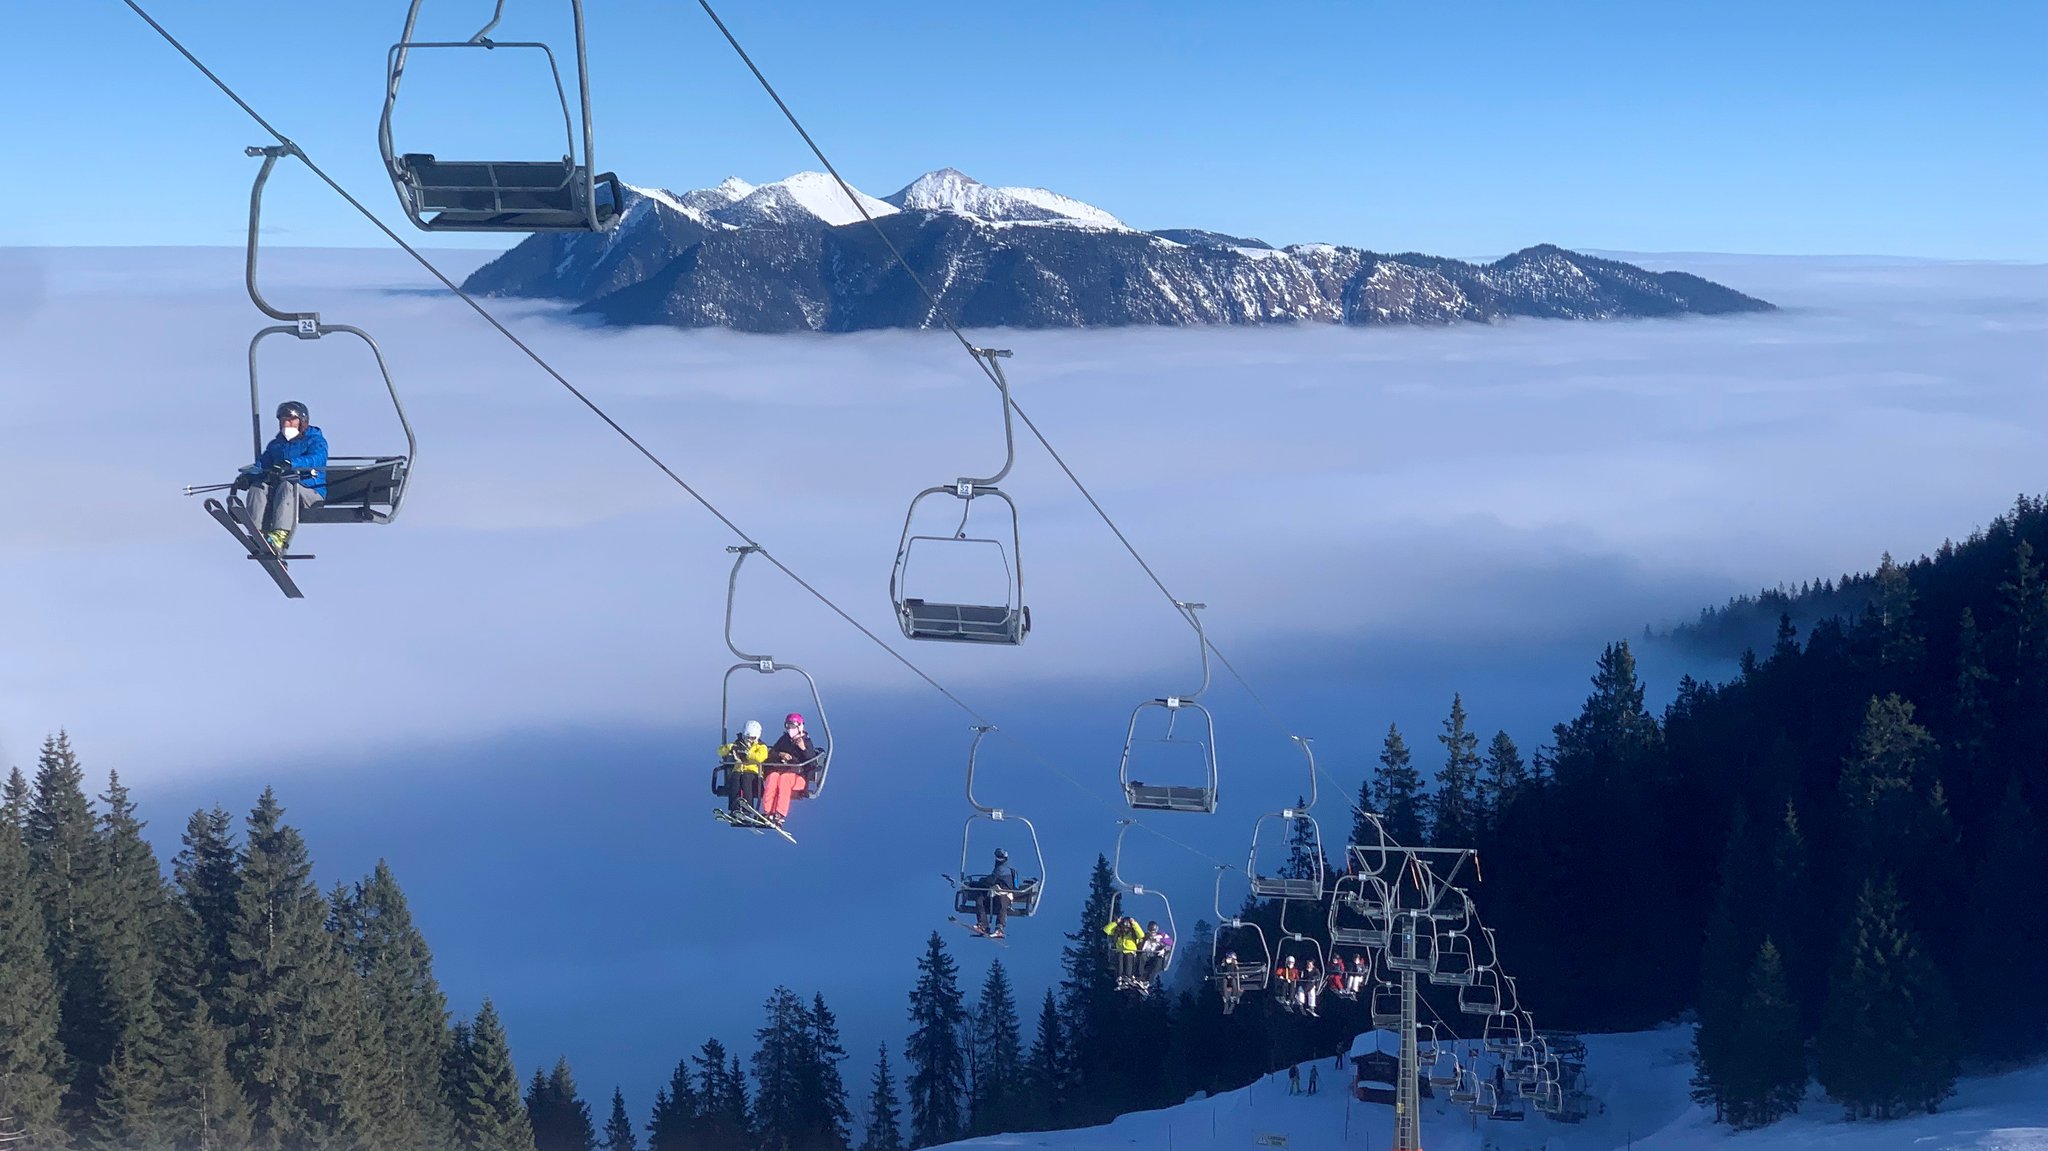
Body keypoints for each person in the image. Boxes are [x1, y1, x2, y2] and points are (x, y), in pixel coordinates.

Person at [234, 400, 328, 555]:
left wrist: (290, 464)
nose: (287, 424)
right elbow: (262, 465)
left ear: (302, 422)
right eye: (283, 421)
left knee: (288, 485)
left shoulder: (315, 440)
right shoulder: (277, 445)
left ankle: (280, 535)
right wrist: (248, 476)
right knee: (259, 487)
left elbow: (316, 459)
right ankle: (256, 532)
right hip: (282, 493)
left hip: (309, 490)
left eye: (291, 420)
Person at [759, 713, 817, 826]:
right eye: (788, 726)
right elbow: (771, 753)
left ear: (800, 727)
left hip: (798, 778)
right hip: (780, 771)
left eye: (793, 726)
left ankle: (779, 814)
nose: (790, 729)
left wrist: (803, 749)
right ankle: (767, 812)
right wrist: (780, 754)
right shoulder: (784, 740)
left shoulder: (806, 742)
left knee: (784, 779)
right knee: (772, 777)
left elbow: (812, 763)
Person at [717, 720, 769, 816]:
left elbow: (760, 757)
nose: (749, 740)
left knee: (746, 779)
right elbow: (720, 751)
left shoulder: (761, 746)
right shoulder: (738, 744)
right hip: (738, 769)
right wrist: (731, 748)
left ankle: (747, 809)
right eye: (747, 737)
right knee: (735, 779)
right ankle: (734, 809)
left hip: (753, 772)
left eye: (752, 738)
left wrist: (748, 754)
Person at [970, 848, 1018, 938]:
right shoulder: (999, 868)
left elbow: (991, 880)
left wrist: (978, 882)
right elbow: (992, 880)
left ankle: (999, 928)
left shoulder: (1005, 869)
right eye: (997, 857)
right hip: (994, 894)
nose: (998, 859)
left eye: (1000, 857)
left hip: (1004, 894)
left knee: (1002, 903)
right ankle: (983, 925)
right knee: (980, 900)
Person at [1104, 916, 1146, 985]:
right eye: (1124, 928)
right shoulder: (1117, 932)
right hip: (1120, 950)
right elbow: (1106, 930)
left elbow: (1141, 935)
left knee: (1128, 960)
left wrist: (1134, 923)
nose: (1125, 930)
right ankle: (1120, 976)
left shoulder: (1132, 932)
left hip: (1130, 950)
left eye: (1127, 928)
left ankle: (1128, 976)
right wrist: (1116, 923)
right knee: (1120, 960)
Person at [1138, 920, 1175, 984]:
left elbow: (1170, 942)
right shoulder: (1146, 936)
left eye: (1154, 931)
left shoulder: (1162, 935)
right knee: (1141, 958)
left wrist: (1160, 939)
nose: (1152, 933)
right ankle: (1139, 977)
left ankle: (1148, 981)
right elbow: (1141, 945)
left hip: (1157, 957)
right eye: (1151, 931)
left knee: (1156, 964)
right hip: (1148, 956)